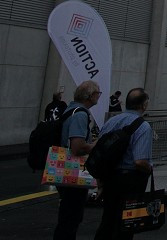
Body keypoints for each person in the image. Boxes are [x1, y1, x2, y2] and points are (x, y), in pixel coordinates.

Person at [94, 88, 153, 240]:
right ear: (144, 105)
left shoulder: (110, 122)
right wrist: (149, 169)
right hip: (130, 181)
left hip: (109, 178)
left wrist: (100, 183)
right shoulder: (143, 126)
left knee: (108, 221)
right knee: (126, 225)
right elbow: (140, 161)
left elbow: (99, 153)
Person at [53, 81, 99, 240]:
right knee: (71, 216)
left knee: (67, 214)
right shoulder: (80, 114)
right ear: (90, 96)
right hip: (72, 171)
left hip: (63, 167)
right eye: (97, 93)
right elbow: (77, 147)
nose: (98, 96)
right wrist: (95, 145)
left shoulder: (70, 110)